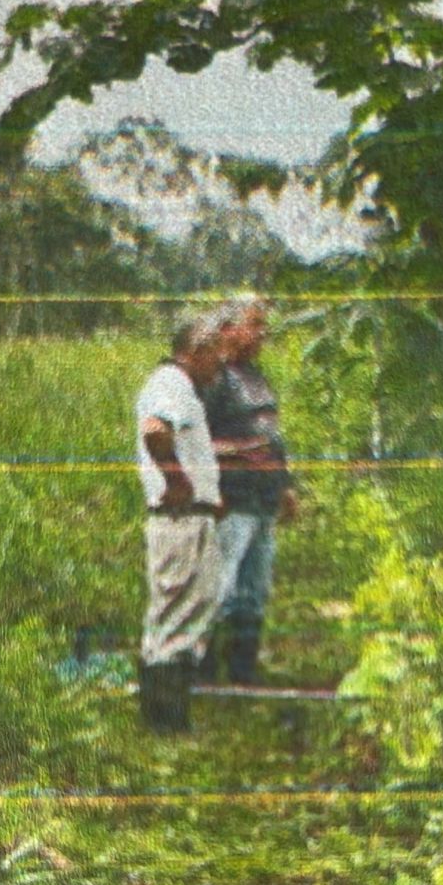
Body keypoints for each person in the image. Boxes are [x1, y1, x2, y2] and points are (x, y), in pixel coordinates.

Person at [134, 313, 226, 733]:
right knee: (173, 615)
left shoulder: (183, 388)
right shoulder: (169, 383)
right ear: (197, 351)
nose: (219, 366)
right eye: (215, 356)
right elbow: (155, 430)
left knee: (191, 610)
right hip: (178, 518)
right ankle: (163, 720)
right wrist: (176, 480)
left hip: (193, 515)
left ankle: (168, 715)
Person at [201, 296, 298, 686]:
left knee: (255, 589)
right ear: (229, 329)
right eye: (254, 324)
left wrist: (286, 485)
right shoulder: (214, 379)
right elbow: (195, 443)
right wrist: (211, 490)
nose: (262, 333)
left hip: (264, 501)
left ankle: (243, 670)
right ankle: (204, 670)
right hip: (232, 500)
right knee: (221, 586)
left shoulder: (257, 377)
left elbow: (273, 438)